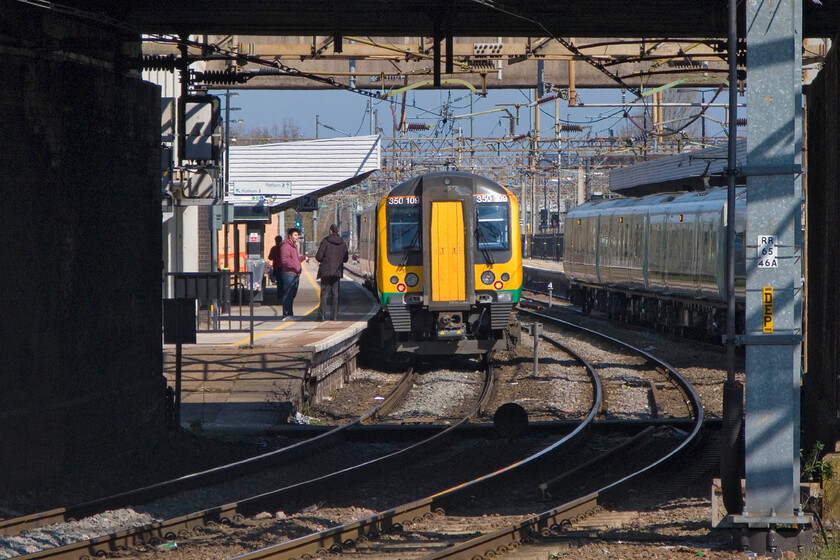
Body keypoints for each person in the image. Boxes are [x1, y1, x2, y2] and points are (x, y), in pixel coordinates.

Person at [315, 224, 349, 321]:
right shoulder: (342, 243)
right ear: (337, 231)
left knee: (324, 294)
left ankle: (321, 316)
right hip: (337, 271)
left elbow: (318, 257)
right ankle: (334, 316)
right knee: (335, 294)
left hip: (326, 271)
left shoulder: (325, 242)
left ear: (330, 231)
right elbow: (346, 258)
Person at [279, 227, 308, 319]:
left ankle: (290, 314)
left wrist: (303, 258)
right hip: (289, 274)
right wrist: (296, 267)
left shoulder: (294, 246)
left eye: (297, 235)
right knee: (288, 294)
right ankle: (286, 314)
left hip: (295, 274)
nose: (297, 237)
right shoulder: (285, 246)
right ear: (290, 236)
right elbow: (285, 261)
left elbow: (295, 259)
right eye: (295, 235)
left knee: (292, 295)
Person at [267, 235, 284, 299]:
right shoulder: (284, 248)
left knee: (279, 281)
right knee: (284, 281)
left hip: (276, 267)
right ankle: (284, 293)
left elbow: (270, 257)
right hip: (284, 267)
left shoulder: (273, 248)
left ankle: (279, 294)